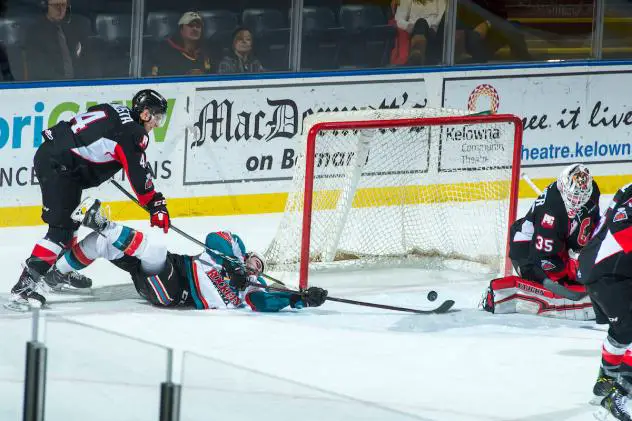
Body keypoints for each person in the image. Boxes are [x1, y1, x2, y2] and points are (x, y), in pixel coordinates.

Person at [8, 89, 171, 311]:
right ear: (144, 114)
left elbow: (90, 131)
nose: (157, 123)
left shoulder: (117, 107)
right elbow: (138, 176)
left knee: (71, 221)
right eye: (157, 117)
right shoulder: (134, 133)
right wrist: (155, 204)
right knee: (60, 231)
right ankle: (24, 285)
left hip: (63, 161)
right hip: (58, 166)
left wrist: (94, 162)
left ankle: (60, 270)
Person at [43, 198, 328, 312]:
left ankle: (105, 222)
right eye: (255, 261)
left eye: (259, 268)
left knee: (153, 248)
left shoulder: (254, 287)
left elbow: (264, 302)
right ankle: (58, 273)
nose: (256, 268)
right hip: (176, 266)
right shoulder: (232, 252)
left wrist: (296, 298)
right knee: (103, 245)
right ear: (249, 254)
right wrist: (235, 266)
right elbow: (214, 238)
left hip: (175, 292)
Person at [481, 164, 601, 320]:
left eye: (581, 196)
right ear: (563, 188)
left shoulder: (592, 190)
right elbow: (545, 259)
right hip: (527, 250)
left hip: (558, 240)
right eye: (573, 196)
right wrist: (574, 270)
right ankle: (499, 294)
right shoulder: (550, 214)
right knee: (556, 282)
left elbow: (594, 225)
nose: (577, 201)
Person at [576, 183, 632, 420]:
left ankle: (606, 380)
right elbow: (621, 226)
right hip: (608, 273)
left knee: (623, 332)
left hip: (607, 269)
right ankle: (622, 395)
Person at [23, 0, 95, 81]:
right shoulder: (35, 33)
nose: (60, 10)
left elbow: (90, 61)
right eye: (55, 5)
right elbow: (40, 69)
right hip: (52, 86)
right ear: (46, 6)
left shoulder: (75, 27)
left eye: (63, 5)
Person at [148, 11, 213, 77]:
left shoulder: (208, 51)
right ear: (181, 29)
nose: (195, 29)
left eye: (198, 26)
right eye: (190, 25)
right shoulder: (162, 51)